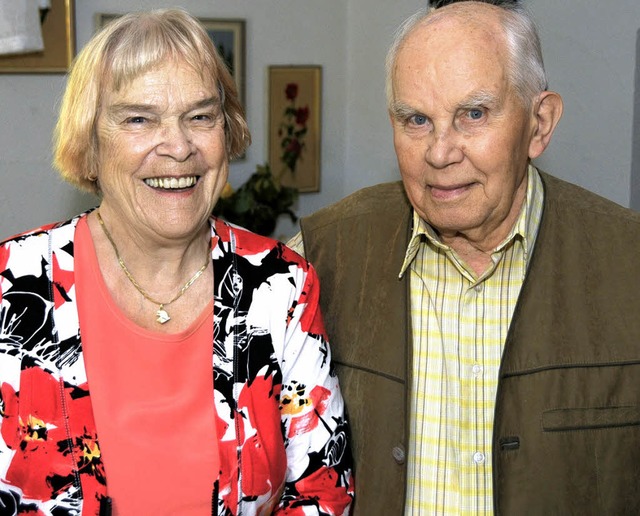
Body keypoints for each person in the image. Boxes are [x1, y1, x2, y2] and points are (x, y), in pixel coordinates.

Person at [288, 1, 640, 514]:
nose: (439, 152)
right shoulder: (319, 256)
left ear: (540, 124)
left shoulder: (627, 264)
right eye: (416, 120)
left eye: (473, 114)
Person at [0, 9, 353, 515]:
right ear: (91, 143)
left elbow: (323, 488)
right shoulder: (12, 281)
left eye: (200, 116)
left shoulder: (280, 285)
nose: (180, 146)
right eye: (140, 119)